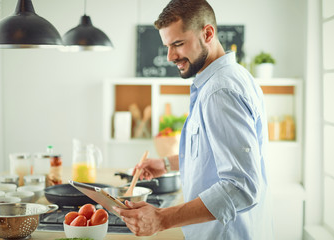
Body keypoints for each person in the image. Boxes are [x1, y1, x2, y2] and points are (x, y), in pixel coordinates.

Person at [114, 0, 274, 239]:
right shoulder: (228, 77)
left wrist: (161, 218)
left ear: (208, 33)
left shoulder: (220, 92)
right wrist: (167, 164)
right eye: (167, 46)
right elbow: (216, 152)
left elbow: (242, 187)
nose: (170, 56)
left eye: (178, 44)